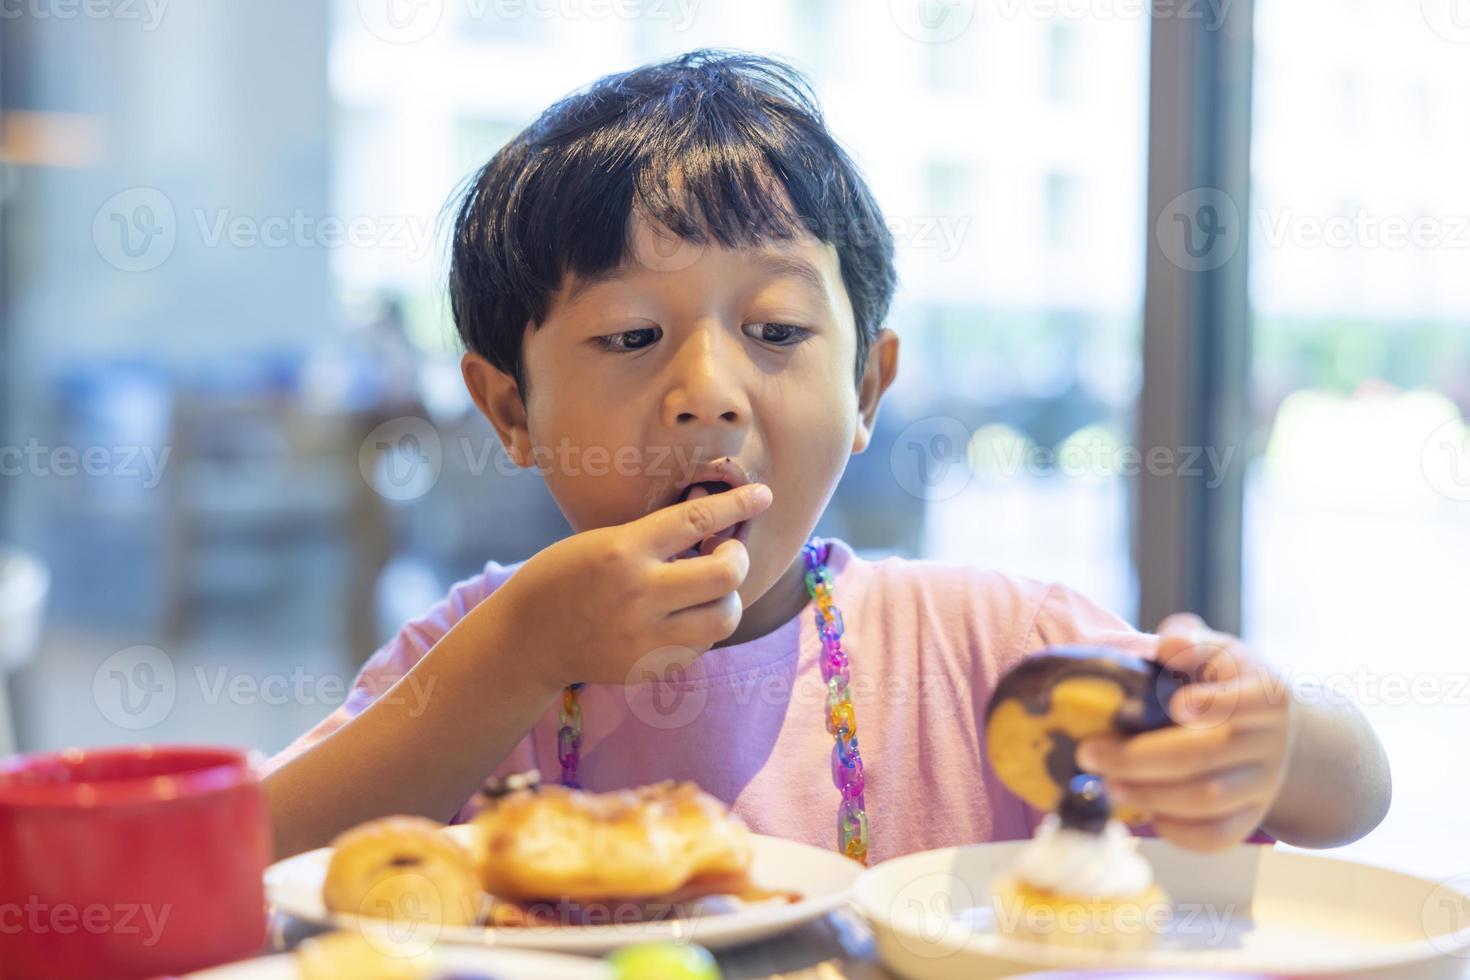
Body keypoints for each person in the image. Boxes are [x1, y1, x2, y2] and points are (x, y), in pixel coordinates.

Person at [263, 49, 1390, 865]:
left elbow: (1356, 793)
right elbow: (249, 859)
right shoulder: (468, 655)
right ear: (509, 407)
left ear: (865, 388)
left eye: (779, 332)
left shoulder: (988, 644)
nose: (708, 391)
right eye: (630, 337)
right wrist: (512, 654)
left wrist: (1268, 738)